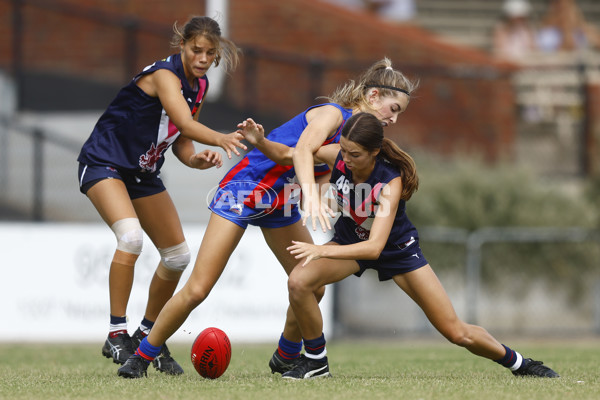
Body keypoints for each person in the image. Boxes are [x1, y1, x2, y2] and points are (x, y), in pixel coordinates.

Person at [117, 58, 417, 378]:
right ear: (373, 97)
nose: (394, 119)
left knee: (311, 285)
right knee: (199, 288)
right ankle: (141, 357)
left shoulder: (355, 141)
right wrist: (313, 197)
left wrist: (322, 192)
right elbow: (301, 152)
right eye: (394, 108)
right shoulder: (334, 114)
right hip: (245, 190)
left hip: (281, 201)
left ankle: (286, 356)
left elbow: (305, 162)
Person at [248, 112, 560, 379]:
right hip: (349, 243)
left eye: (354, 154)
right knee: (300, 281)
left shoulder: (390, 182)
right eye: (343, 151)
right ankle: (317, 362)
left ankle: (521, 364)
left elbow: (374, 248)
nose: (345, 160)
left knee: (456, 332)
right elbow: (290, 155)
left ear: (374, 152)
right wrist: (261, 142)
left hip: (396, 251)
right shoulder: (339, 157)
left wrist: (320, 250)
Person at [77, 16, 245, 375]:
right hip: (104, 162)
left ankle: (146, 331)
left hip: (141, 172)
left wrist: (197, 160)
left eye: (209, 53)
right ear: (181, 45)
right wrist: (221, 138)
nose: (201, 57)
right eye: (195, 49)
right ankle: (116, 331)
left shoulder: (198, 87)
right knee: (131, 238)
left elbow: (182, 141)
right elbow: (185, 123)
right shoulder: (165, 76)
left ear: (216, 57)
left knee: (177, 257)